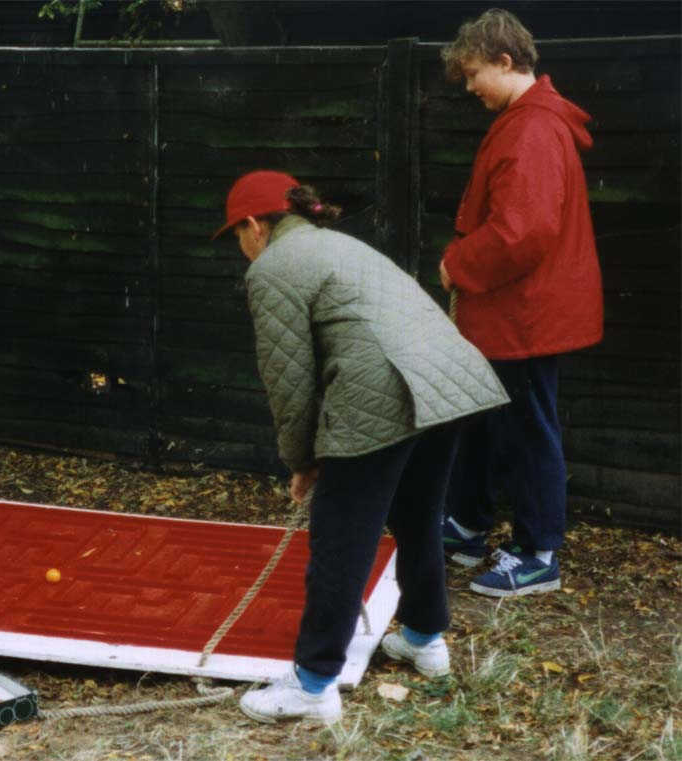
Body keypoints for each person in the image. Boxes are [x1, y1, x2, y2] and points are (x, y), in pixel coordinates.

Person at [216, 171, 509, 725]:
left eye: (236, 235)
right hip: (447, 381)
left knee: (340, 537)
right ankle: (425, 638)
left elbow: (289, 382)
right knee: (418, 517)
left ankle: (312, 686)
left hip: (384, 391)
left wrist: (302, 462)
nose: (241, 248)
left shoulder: (273, 268)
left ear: (254, 226)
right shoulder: (339, 245)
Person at [437, 9, 603, 597]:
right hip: (514, 311)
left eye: (475, 72)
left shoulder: (531, 128)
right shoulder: (527, 120)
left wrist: (458, 263)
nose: (470, 86)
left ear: (506, 62)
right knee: (484, 418)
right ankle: (467, 526)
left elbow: (521, 232)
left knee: (529, 428)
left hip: (527, 313)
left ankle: (538, 555)